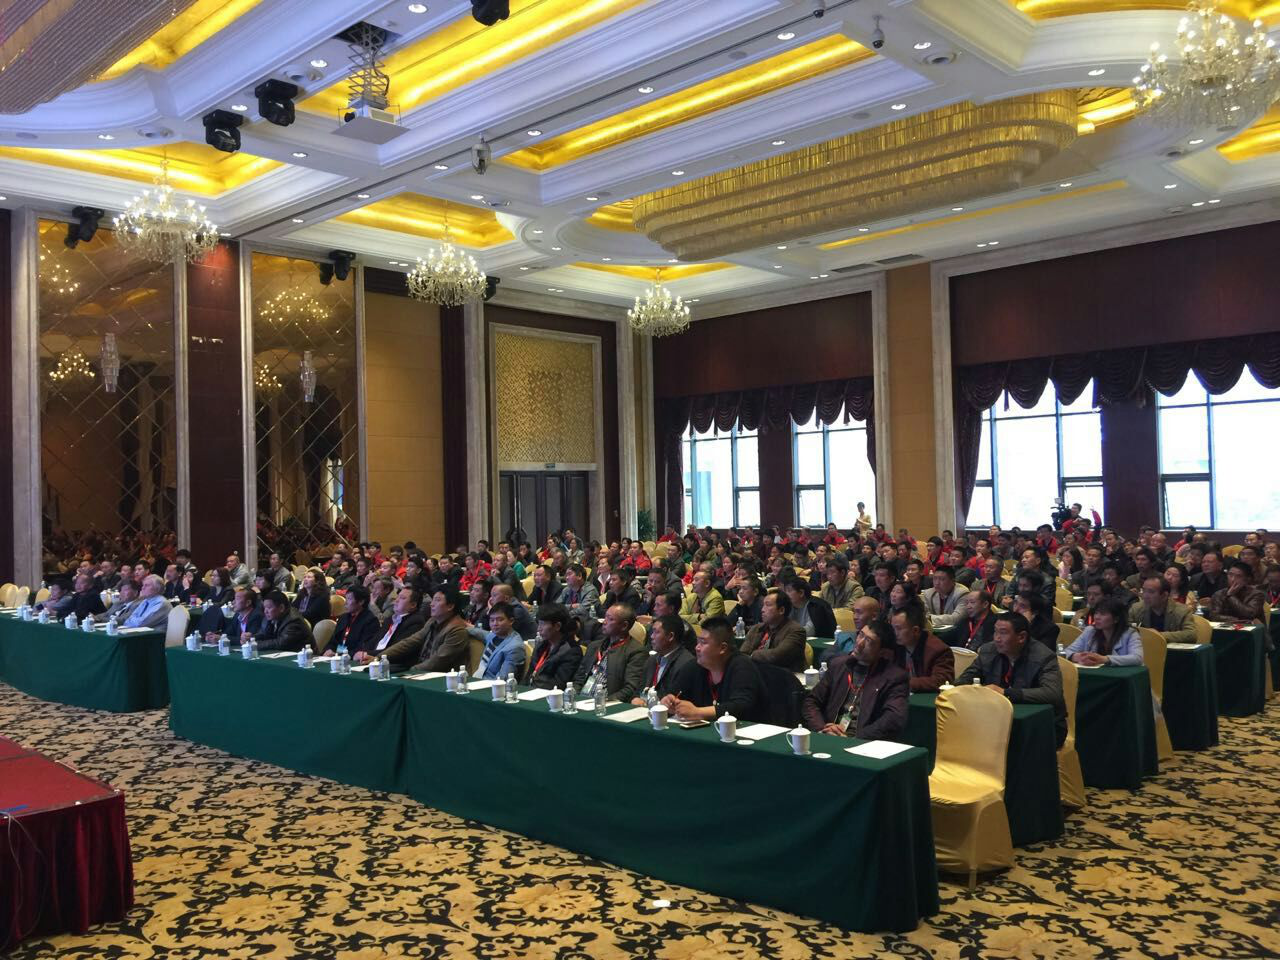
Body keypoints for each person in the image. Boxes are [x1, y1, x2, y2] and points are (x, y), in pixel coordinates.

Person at [957, 611, 1067, 747]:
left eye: (1003, 633)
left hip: (1041, 727)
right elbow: (966, 678)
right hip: (995, 720)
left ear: (1021, 637)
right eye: (995, 632)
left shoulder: (1044, 657)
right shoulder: (988, 650)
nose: (997, 638)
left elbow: (1052, 693)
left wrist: (1006, 693)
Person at [801, 619, 908, 740]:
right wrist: (822, 729)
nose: (859, 643)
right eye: (861, 635)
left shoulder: (894, 677)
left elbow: (893, 719)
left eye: (869, 641)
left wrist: (855, 738)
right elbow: (811, 702)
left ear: (882, 652)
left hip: (862, 741)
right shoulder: (839, 665)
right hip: (829, 735)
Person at [661, 616, 769, 723]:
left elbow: (741, 706)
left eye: (703, 643)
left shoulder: (742, 666)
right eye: (698, 642)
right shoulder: (694, 666)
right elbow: (674, 693)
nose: (697, 648)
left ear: (722, 648)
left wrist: (698, 712)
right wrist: (669, 701)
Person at [572, 603, 647, 702]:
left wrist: (604, 702)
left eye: (610, 619)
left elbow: (630, 689)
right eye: (605, 617)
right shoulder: (594, 646)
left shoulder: (636, 651)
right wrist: (574, 697)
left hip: (606, 703)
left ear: (624, 626)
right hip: (581, 701)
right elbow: (579, 678)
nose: (604, 622)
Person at [630, 613, 699, 705]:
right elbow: (639, 689)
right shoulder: (652, 659)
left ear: (670, 636)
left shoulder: (687, 664)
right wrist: (636, 698)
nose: (651, 636)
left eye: (656, 632)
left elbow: (675, 700)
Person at [402, 587, 472, 674]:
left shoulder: (457, 630)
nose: (431, 604)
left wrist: (411, 671)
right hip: (422, 670)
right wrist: (385, 655)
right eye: (432, 600)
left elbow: (437, 662)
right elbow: (411, 641)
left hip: (442, 676)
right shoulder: (432, 621)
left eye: (437, 600)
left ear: (450, 606)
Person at [737, 588, 808, 671]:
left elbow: (777, 656)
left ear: (781, 610)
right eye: (763, 605)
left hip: (784, 675)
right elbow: (742, 654)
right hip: (756, 673)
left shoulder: (796, 631)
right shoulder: (756, 628)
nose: (762, 610)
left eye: (768, 605)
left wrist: (753, 655)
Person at [890, 603, 954, 692]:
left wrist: (904, 683)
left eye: (898, 629)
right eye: (893, 628)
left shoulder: (938, 650)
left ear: (915, 630)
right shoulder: (896, 645)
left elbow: (941, 681)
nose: (894, 633)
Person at [1066, 597, 1144, 666]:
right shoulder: (1090, 631)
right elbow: (1067, 651)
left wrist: (1104, 659)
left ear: (1116, 619)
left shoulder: (1130, 634)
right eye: (1096, 613)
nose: (1097, 617)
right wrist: (1077, 657)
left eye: (1103, 614)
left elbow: (1137, 658)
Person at [355, 587, 426, 664]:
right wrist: (362, 652)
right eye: (397, 597)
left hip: (392, 663)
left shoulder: (416, 621)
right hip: (373, 658)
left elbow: (396, 649)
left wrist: (368, 654)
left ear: (413, 605)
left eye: (402, 598)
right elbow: (375, 640)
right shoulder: (390, 619)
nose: (396, 600)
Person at [525, 603, 584, 689]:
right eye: (539, 624)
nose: (539, 629)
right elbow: (528, 676)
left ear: (557, 626)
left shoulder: (571, 651)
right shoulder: (541, 646)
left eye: (543, 624)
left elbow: (558, 684)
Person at [1128, 575, 1196, 645]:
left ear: (1164, 595)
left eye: (1151, 592)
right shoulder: (1136, 609)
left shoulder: (1182, 611)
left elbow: (1191, 634)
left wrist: (1156, 635)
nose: (1145, 596)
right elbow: (1126, 631)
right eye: (1144, 590)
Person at [318, 584, 380, 657]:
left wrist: (339, 655)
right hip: (336, 656)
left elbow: (363, 648)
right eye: (346, 598)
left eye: (349, 599)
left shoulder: (371, 621)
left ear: (361, 602)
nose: (345, 603)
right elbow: (333, 641)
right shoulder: (343, 618)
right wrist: (328, 649)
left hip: (351, 658)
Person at [474, 601, 527, 680]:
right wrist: (464, 628)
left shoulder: (515, 647)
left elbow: (502, 679)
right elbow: (481, 633)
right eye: (492, 620)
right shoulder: (493, 635)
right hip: (478, 678)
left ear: (511, 621)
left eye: (500, 620)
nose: (495, 624)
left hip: (491, 684)